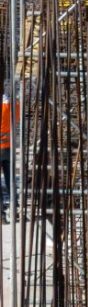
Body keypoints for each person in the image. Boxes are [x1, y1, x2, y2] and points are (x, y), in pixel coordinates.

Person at [1, 94, 18, 223]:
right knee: (10, 179)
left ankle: (1, 214)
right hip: (8, 146)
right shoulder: (11, 103)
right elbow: (17, 118)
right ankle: (14, 210)